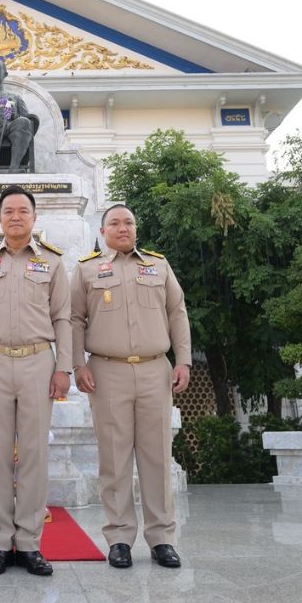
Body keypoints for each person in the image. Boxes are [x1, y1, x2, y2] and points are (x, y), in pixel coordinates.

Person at [70, 204, 191, 569]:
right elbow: (74, 319)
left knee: (157, 458)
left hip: (155, 370)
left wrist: (183, 360)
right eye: (115, 223)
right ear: (103, 231)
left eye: (129, 223)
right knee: (114, 459)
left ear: (136, 229)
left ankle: (162, 539)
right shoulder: (86, 269)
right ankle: (119, 537)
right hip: (107, 371)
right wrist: (77, 364)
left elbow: (177, 312)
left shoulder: (158, 265)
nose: (123, 228)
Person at [0, 185, 71, 577]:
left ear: (34, 217)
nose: (15, 217)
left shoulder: (52, 262)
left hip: (38, 362)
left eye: (23, 210)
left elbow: (63, 317)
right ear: (0, 217)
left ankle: (28, 543)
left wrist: (64, 368)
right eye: (8, 211)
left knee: (34, 455)